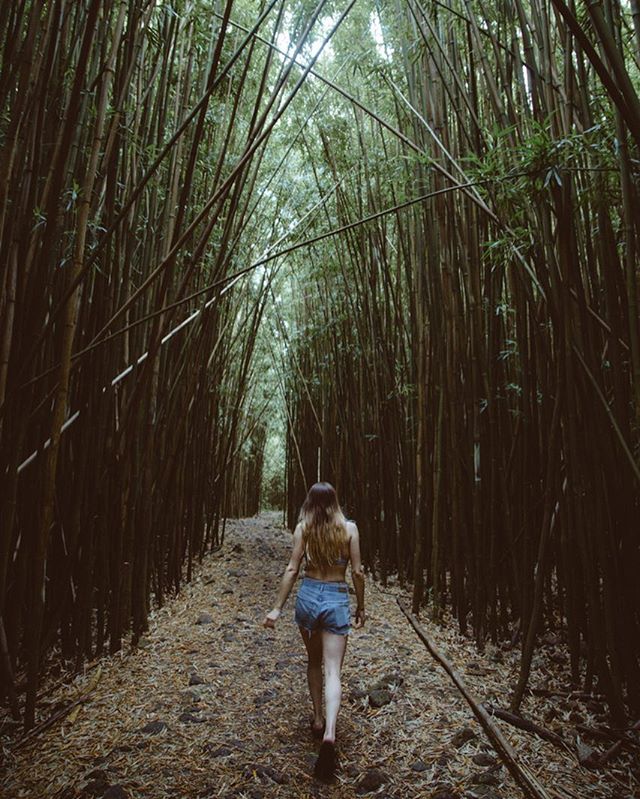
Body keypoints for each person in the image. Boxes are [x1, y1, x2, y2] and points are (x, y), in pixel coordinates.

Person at [263, 482, 365, 781]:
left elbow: (292, 569)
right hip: (336, 596)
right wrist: (360, 606)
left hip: (308, 598)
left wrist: (277, 609)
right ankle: (330, 734)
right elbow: (357, 572)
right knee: (334, 671)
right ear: (335, 502)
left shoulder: (303, 528)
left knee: (313, 662)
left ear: (309, 502)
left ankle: (318, 719)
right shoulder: (349, 529)